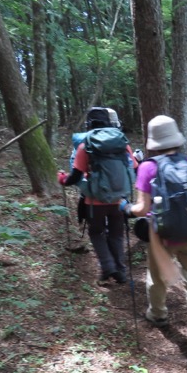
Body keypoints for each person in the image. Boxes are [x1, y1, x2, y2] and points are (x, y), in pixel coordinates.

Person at [123, 115, 187, 348]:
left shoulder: (147, 167)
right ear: (176, 138)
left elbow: (142, 209)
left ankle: (158, 314)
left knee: (157, 278)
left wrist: (125, 208)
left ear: (152, 142)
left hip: (162, 235)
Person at [58, 108, 138, 286]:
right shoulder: (122, 144)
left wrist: (62, 179)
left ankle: (108, 267)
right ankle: (121, 272)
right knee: (116, 235)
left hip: (94, 202)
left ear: (89, 124)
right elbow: (133, 167)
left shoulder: (85, 145)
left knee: (96, 233)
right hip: (120, 200)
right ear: (109, 123)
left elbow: (76, 177)